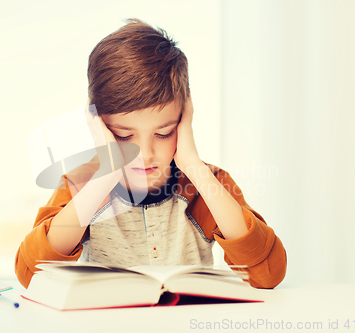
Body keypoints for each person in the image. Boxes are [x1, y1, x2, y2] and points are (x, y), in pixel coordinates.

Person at [15, 18, 286, 289]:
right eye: (123, 136)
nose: (144, 154)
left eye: (164, 132)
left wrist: (193, 165)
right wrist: (103, 178)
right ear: (96, 122)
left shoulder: (207, 184)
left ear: (184, 116)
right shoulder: (82, 185)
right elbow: (32, 276)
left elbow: (267, 274)